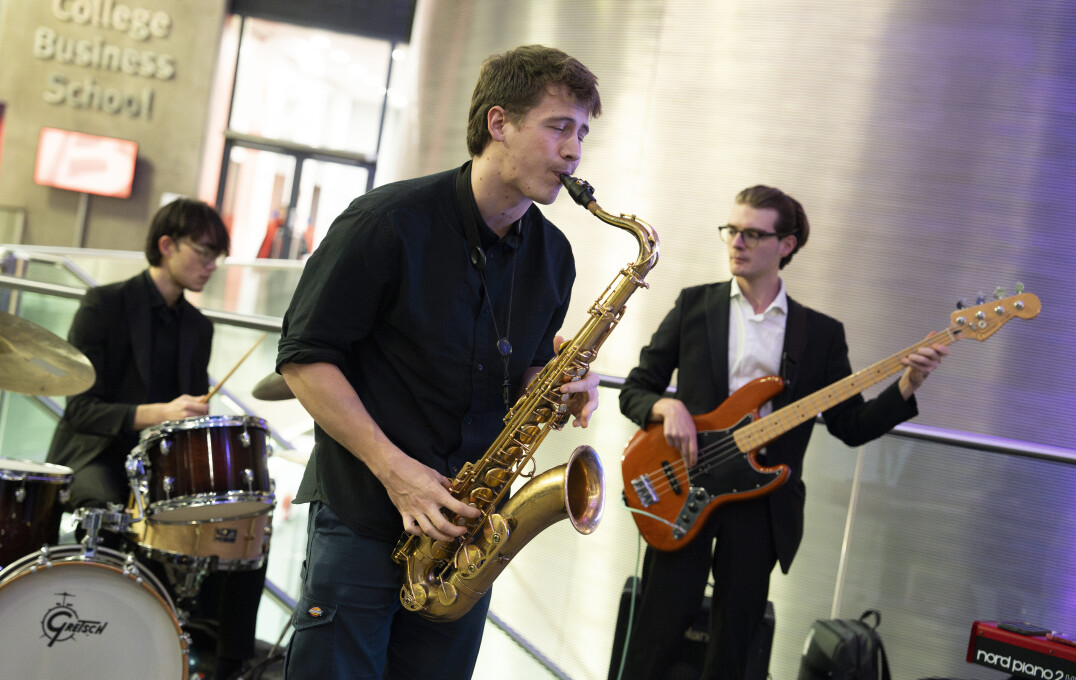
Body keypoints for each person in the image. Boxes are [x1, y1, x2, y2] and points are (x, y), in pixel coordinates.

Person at [276, 44, 603, 679]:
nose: (574, 151)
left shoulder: (553, 256)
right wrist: (396, 472)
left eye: (583, 133)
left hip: (466, 537)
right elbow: (303, 359)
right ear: (499, 123)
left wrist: (556, 386)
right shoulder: (386, 222)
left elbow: (529, 365)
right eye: (559, 126)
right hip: (366, 515)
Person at [615, 185, 949, 680]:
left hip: (760, 506)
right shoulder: (694, 306)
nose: (737, 242)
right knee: (654, 638)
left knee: (732, 650)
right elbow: (635, 390)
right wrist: (667, 406)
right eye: (732, 230)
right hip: (683, 485)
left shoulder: (820, 335)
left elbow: (850, 426)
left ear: (786, 245)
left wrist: (908, 382)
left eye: (752, 233)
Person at [46, 198, 262, 680]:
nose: (211, 266)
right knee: (113, 510)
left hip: (160, 469)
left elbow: (181, 417)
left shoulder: (198, 326)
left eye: (216, 257)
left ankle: (227, 663)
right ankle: (98, 644)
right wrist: (160, 412)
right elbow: (80, 409)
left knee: (245, 521)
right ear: (166, 245)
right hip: (95, 454)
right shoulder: (105, 304)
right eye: (204, 252)